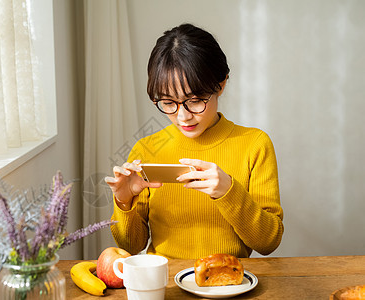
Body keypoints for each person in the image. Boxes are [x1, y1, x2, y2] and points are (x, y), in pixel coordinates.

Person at [105, 23, 283, 259]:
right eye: (168, 102)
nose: (183, 116)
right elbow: (131, 245)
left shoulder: (254, 145)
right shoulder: (146, 149)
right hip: (165, 284)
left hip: (227, 283)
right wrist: (124, 201)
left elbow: (268, 242)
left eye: (195, 100)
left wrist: (228, 191)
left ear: (221, 85)